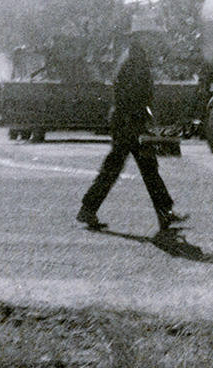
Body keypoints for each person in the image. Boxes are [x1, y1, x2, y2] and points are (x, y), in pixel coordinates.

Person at [77, 16, 188, 232]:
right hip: (129, 120)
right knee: (141, 167)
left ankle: (88, 209)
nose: (154, 41)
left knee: (130, 167)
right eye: (152, 36)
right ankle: (165, 214)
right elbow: (133, 96)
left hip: (126, 119)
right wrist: (145, 119)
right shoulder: (135, 60)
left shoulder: (132, 57)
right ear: (141, 37)